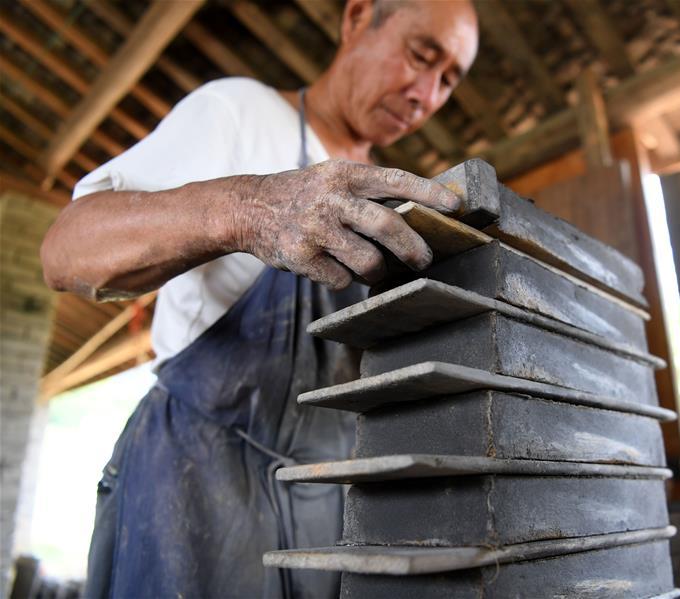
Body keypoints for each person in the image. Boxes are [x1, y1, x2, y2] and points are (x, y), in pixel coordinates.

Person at [39, 0, 479, 597]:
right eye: (421, 55)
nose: (424, 93)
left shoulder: (387, 205)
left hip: (326, 512)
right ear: (356, 19)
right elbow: (67, 252)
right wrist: (251, 210)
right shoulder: (241, 110)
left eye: (448, 80)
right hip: (197, 490)